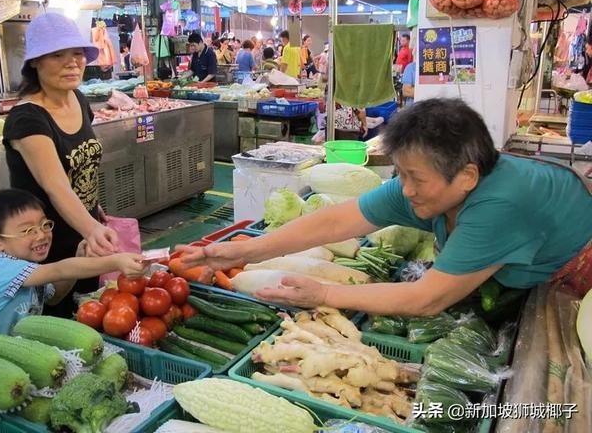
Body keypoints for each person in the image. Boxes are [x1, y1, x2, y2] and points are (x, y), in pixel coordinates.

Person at [177, 98, 592, 313]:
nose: (405, 189)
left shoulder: (500, 206)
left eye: (416, 179)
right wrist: (242, 249)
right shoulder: (426, 181)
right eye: (401, 174)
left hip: (571, 269)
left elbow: (428, 299)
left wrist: (324, 293)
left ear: (466, 176)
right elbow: (339, 219)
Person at [3, 13, 118, 318]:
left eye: (77, 53)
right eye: (57, 55)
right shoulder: (27, 119)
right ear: (36, 62)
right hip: (47, 240)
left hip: (83, 229)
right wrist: (92, 228)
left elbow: (82, 163)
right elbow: (56, 186)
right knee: (57, 317)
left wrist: (94, 209)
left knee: (89, 310)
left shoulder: (77, 99)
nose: (72, 62)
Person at [0, 189, 145, 346]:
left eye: (45, 225)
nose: (42, 235)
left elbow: (55, 296)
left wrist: (78, 257)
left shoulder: (30, 270)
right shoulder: (4, 268)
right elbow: (60, 269)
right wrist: (116, 261)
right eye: (28, 230)